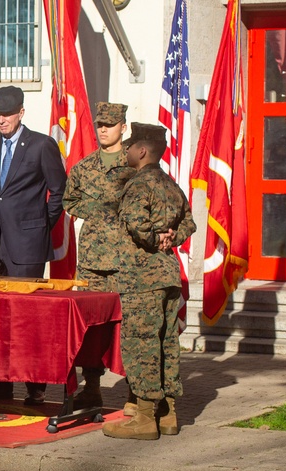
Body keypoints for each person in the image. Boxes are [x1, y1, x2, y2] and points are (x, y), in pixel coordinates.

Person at [0, 86, 67, 405]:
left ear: (21, 112)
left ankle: (34, 385)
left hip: (27, 246)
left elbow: (59, 192)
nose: (2, 119)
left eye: (7, 113)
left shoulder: (41, 145)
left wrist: (38, 226)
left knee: (27, 318)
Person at [102, 122, 196, 440]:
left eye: (130, 146)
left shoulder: (139, 183)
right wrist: (171, 238)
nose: (126, 150)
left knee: (141, 343)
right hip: (168, 276)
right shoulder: (169, 184)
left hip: (143, 278)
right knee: (166, 343)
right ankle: (167, 413)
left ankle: (143, 417)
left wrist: (156, 239)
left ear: (142, 151)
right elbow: (189, 221)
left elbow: (133, 221)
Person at [63, 102, 135, 410]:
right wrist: (97, 211)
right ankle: (91, 387)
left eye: (110, 124)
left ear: (123, 126)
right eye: (100, 124)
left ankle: (137, 392)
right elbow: (69, 200)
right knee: (91, 330)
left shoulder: (135, 165)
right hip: (93, 262)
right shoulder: (84, 167)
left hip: (126, 261)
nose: (103, 129)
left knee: (130, 326)